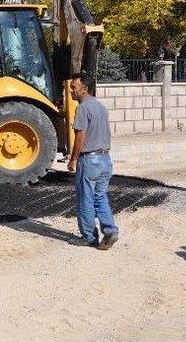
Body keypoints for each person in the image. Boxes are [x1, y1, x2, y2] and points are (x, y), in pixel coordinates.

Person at [67, 72, 119, 250]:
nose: (70, 90)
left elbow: (80, 136)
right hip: (105, 159)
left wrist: (73, 159)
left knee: (85, 199)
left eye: (73, 87)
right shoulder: (101, 107)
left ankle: (89, 237)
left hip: (89, 161)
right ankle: (110, 231)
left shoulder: (82, 108)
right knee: (100, 196)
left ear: (84, 89)